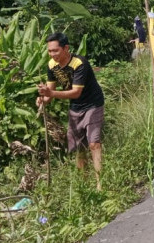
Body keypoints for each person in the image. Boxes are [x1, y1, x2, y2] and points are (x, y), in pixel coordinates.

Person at [37, 32, 105, 190]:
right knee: (78, 147)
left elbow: (76, 92)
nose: (52, 54)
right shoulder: (51, 66)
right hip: (76, 106)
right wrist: (42, 99)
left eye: (56, 50)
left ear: (66, 48)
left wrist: (50, 94)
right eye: (50, 51)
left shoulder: (79, 63)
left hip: (93, 104)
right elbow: (50, 94)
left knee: (94, 143)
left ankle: (100, 184)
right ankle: (83, 184)